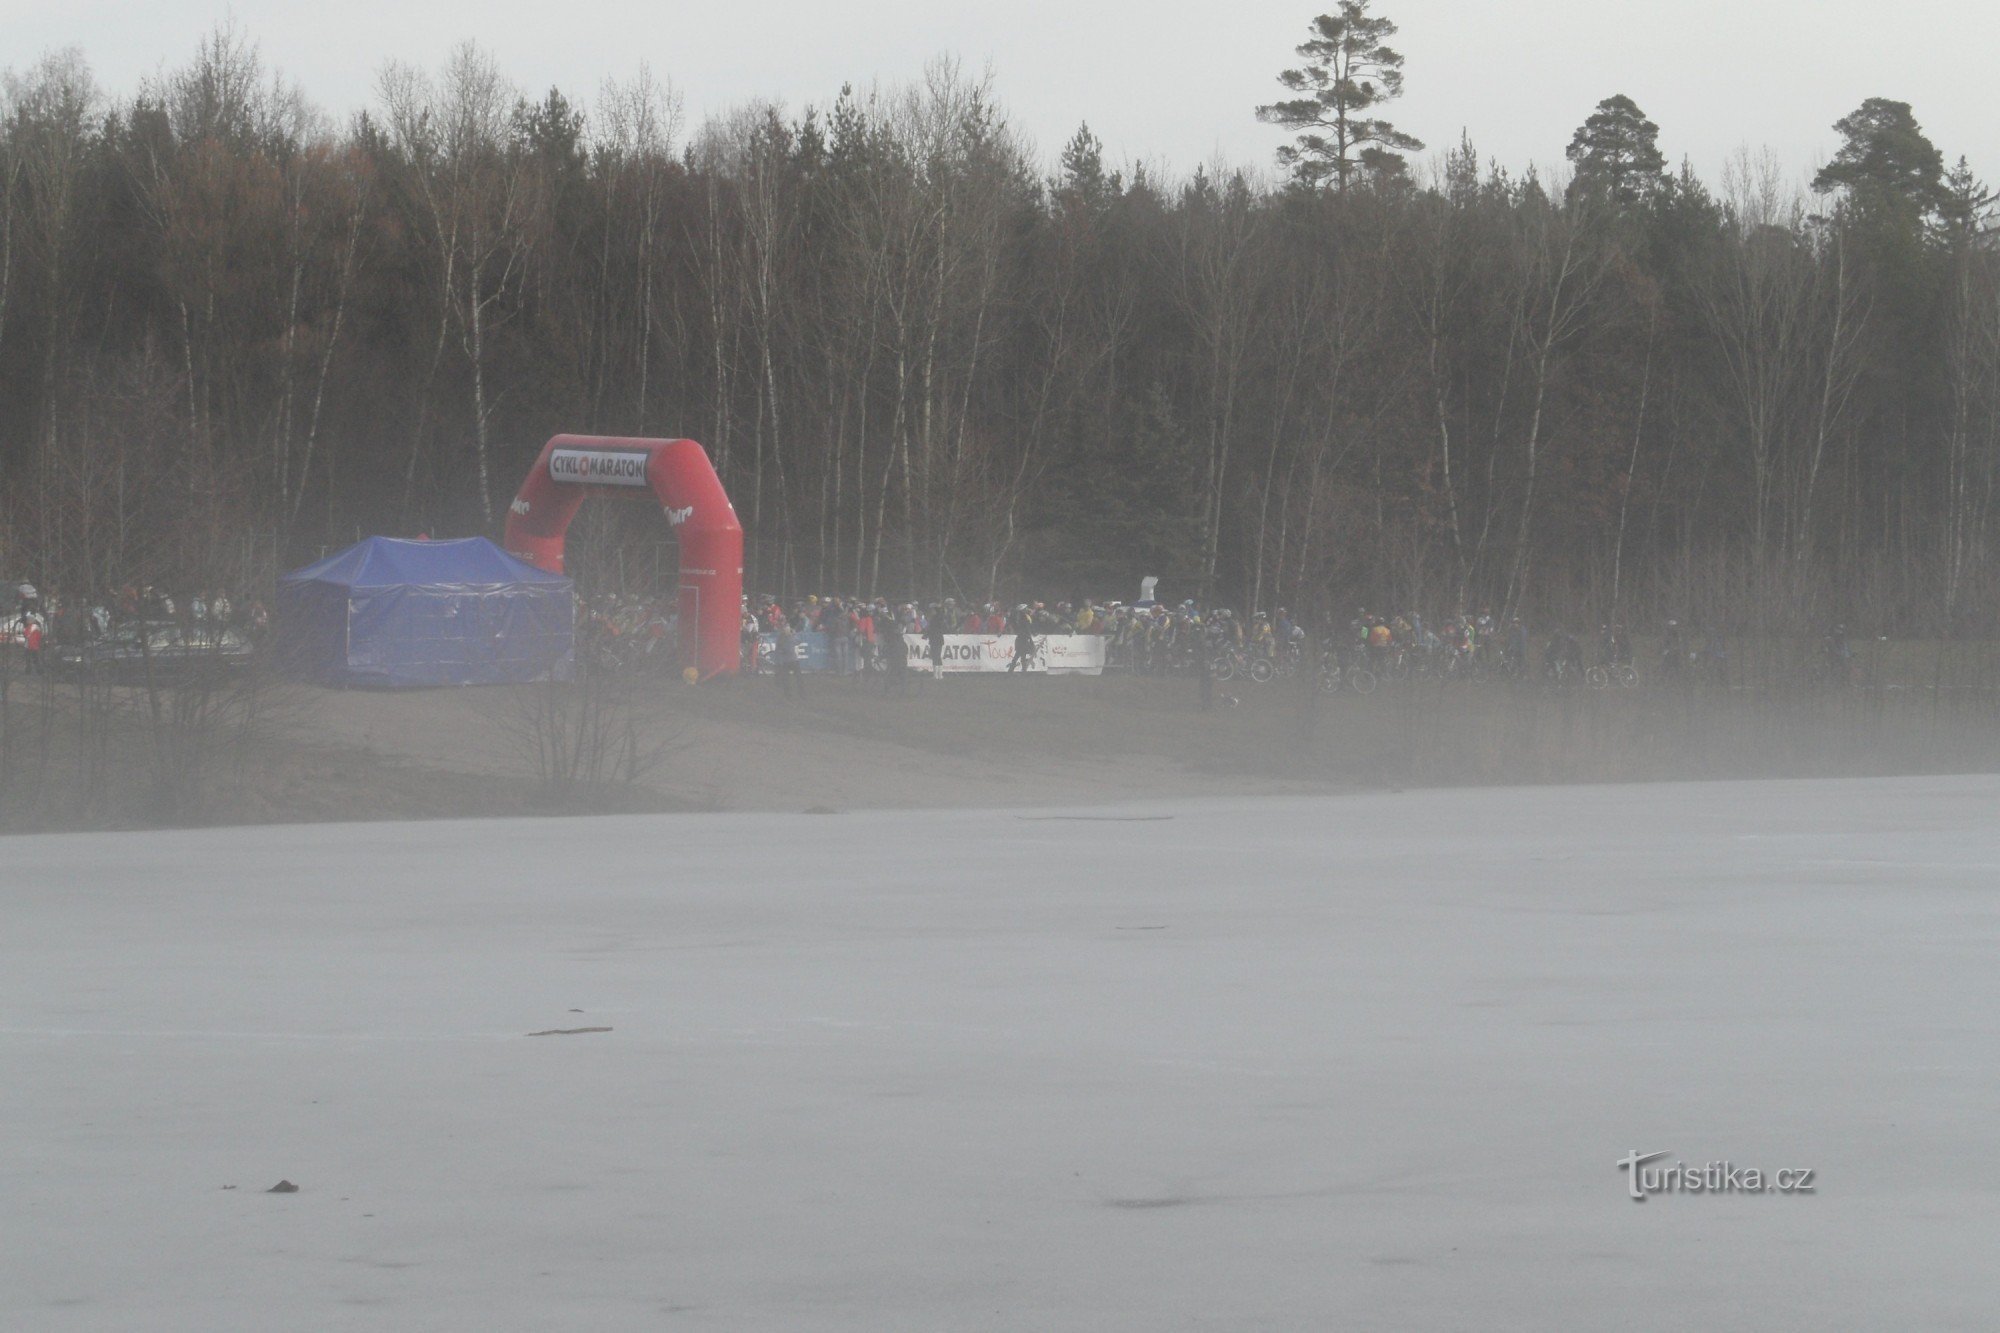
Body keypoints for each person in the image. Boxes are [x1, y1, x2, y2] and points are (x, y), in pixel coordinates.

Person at [773, 613, 803, 698]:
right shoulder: (790, 637)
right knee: (794, 678)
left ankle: (791, 694)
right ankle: (799, 694)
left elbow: (778, 650)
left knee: (789, 679)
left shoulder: (782, 638)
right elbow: (799, 641)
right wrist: (793, 634)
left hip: (787, 661)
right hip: (791, 660)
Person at [1006, 605, 1036, 674]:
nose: (1027, 609)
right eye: (1025, 608)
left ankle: (1018, 669)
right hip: (1024, 638)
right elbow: (1027, 628)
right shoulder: (1024, 617)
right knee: (1020, 654)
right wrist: (1030, 636)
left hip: (1020, 637)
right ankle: (1019, 669)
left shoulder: (1018, 617)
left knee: (1021, 654)